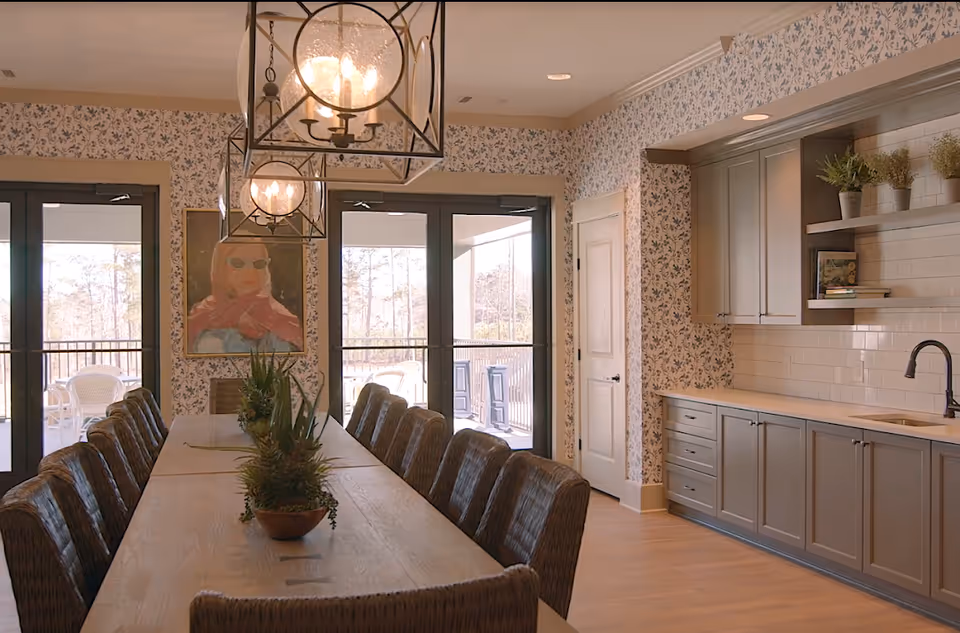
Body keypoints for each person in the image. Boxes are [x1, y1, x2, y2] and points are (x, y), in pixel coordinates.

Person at [187, 240, 303, 354]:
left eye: (259, 263)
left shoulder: (280, 317)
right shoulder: (203, 314)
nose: (249, 271)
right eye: (238, 263)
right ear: (221, 266)